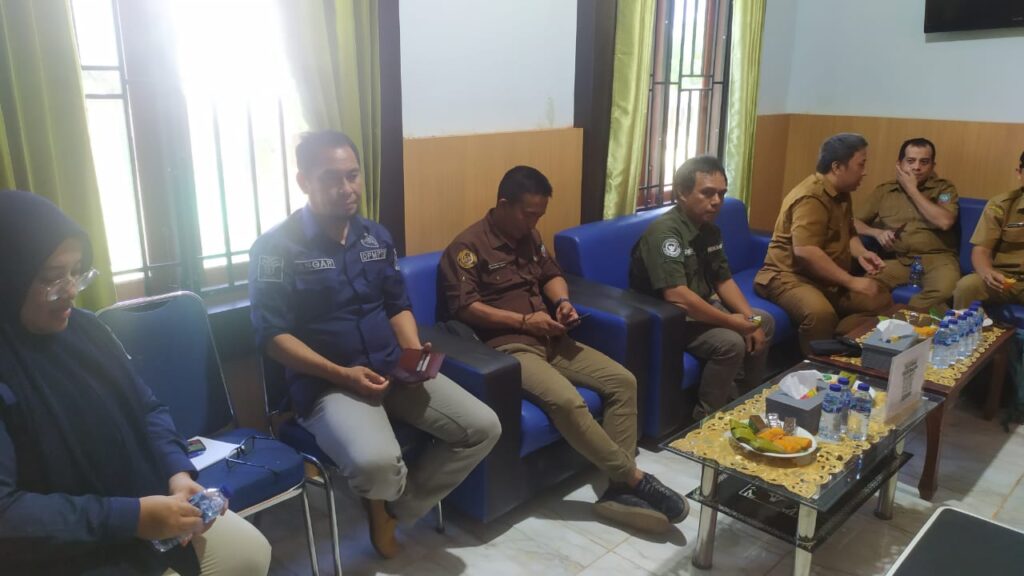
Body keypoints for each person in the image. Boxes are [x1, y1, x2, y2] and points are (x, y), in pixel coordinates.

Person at [248, 131, 500, 559]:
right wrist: (343, 374)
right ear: (304, 181)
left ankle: (393, 511)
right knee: (375, 465)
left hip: (392, 367)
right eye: (331, 178)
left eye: (353, 175)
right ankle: (382, 494)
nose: (347, 188)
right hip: (329, 385)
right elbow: (272, 338)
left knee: (483, 427)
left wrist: (413, 353)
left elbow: (397, 304)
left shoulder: (375, 237)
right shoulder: (275, 249)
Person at [0, 190, 271, 576]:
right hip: (63, 547)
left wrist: (177, 474)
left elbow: (146, 408)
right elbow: (7, 513)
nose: (72, 290)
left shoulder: (87, 331)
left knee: (250, 553)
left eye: (77, 271)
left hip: (143, 509)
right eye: (52, 278)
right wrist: (132, 517)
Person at [438, 165, 687, 534]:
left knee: (623, 381)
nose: (534, 222)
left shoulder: (530, 236)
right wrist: (525, 322)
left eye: (540, 214)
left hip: (553, 337)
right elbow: (465, 308)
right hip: (509, 349)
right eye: (528, 214)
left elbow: (551, 274)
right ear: (503, 205)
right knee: (568, 402)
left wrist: (563, 302)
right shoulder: (467, 248)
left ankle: (618, 492)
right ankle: (634, 478)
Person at [630, 156, 775, 419]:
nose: (717, 201)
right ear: (682, 193)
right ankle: (708, 418)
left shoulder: (709, 231)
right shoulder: (665, 234)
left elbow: (723, 280)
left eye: (721, 194)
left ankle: (742, 403)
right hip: (669, 318)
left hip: (702, 307)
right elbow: (678, 297)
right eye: (707, 193)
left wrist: (748, 319)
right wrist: (732, 323)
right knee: (730, 343)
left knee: (762, 321)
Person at [754, 133, 892, 355]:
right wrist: (851, 281)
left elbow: (848, 232)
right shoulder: (811, 197)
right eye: (861, 164)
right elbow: (806, 251)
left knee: (878, 297)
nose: (864, 172)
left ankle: (843, 345)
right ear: (837, 167)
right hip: (787, 277)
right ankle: (817, 367)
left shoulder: (842, 193)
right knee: (821, 314)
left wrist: (862, 253)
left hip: (823, 278)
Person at [854, 138, 960, 310]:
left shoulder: (944, 189)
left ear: (932, 166)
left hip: (938, 259)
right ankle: (882, 322)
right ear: (899, 164)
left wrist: (912, 190)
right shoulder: (884, 191)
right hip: (900, 260)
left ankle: (901, 318)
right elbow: (852, 221)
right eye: (910, 161)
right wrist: (876, 232)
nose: (917, 167)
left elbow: (945, 221)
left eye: (924, 162)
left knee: (946, 291)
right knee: (865, 288)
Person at [953, 150, 1024, 309]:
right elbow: (981, 250)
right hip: (1003, 278)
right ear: (1019, 173)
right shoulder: (1001, 205)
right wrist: (987, 272)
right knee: (967, 286)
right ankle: (963, 325)